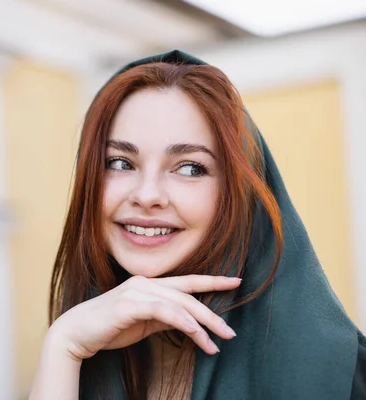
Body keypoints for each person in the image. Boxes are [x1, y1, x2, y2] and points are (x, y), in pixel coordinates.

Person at [28, 50, 365, 399]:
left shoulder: (338, 377)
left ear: (238, 194)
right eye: (119, 162)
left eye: (190, 167)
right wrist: (63, 345)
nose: (147, 195)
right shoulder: (75, 357)